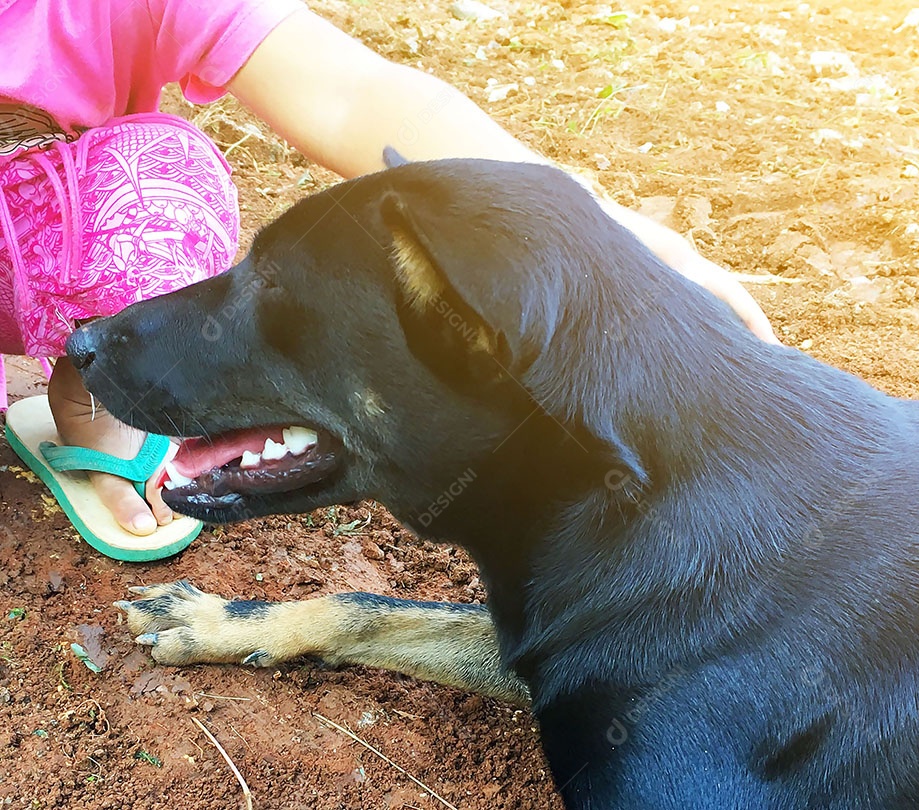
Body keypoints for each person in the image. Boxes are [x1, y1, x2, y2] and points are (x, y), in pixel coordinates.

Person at [0, 0, 776, 556]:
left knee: (159, 174)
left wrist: (608, 237)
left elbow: (353, 96)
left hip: (40, 233)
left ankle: (88, 394)